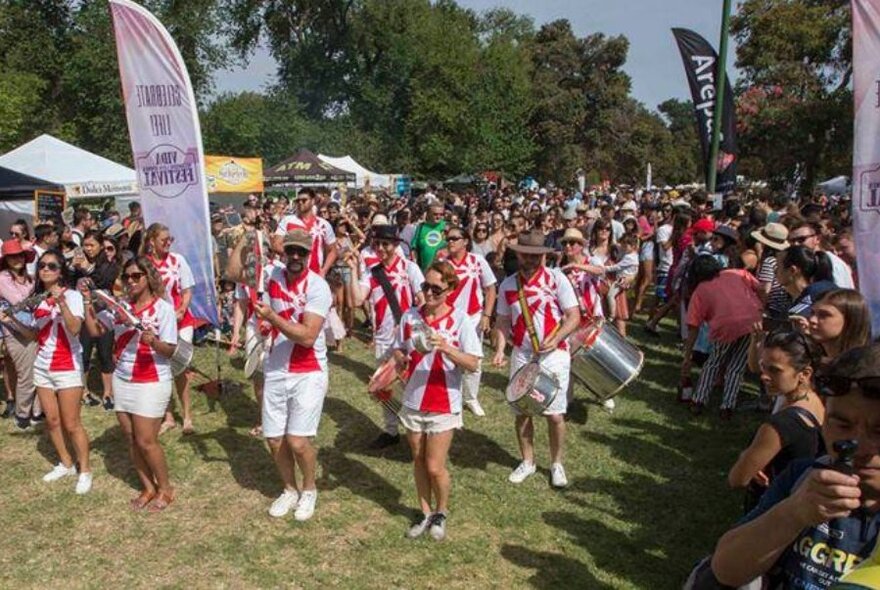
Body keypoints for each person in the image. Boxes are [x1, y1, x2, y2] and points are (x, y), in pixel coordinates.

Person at [709, 343, 880, 587]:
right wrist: (793, 513)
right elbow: (725, 569)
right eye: (842, 425)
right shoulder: (803, 477)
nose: (858, 447)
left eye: (879, 430)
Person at [242, 229, 332, 521]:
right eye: (290, 250)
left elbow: (307, 337)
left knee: (298, 441)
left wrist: (272, 318)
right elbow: (234, 273)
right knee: (273, 439)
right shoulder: (271, 276)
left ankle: (309, 488)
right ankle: (289, 489)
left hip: (308, 370)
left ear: (309, 255)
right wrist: (245, 240)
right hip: (276, 367)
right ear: (283, 251)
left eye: (301, 252)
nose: (295, 256)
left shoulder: (318, 287)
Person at [80, 258, 178, 511]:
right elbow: (95, 330)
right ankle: (147, 487)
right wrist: (86, 301)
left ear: (148, 278)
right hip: (122, 378)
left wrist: (153, 342)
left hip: (152, 379)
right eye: (128, 277)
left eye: (137, 276)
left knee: (146, 440)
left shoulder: (163, 309)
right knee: (131, 438)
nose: (131, 281)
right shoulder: (120, 307)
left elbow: (170, 350)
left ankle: (165, 488)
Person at [394, 261, 482, 541]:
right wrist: (399, 359)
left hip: (444, 401)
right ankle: (424, 512)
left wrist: (446, 348)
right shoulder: (410, 316)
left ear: (450, 289)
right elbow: (398, 349)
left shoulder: (461, 320)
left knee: (434, 465)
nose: (429, 293)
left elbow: (473, 363)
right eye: (425, 287)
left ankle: (441, 512)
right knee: (418, 459)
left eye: (436, 288)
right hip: (413, 398)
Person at [493, 230, 581, 488]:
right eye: (526, 255)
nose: (531, 261)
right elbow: (502, 321)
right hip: (522, 354)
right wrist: (499, 349)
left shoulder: (557, 280)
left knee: (554, 415)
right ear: (518, 254)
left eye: (536, 256)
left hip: (555, 355)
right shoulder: (508, 285)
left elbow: (573, 316)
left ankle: (556, 464)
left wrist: (556, 338)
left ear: (543, 256)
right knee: (522, 411)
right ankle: (528, 461)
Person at [1, 250, 92, 493]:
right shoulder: (39, 300)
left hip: (67, 365)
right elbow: (34, 334)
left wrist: (60, 302)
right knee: (51, 421)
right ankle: (66, 463)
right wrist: (10, 321)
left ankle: (85, 470)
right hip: (43, 364)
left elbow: (74, 329)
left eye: (52, 266)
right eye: (42, 266)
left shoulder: (72, 296)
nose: (45, 270)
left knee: (71, 423)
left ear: (61, 271)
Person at [347, 224, 425, 448]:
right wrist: (353, 271)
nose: (380, 248)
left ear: (395, 245)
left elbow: (422, 301)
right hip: (383, 338)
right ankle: (391, 431)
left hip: (408, 340)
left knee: (411, 385)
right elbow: (356, 300)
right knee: (384, 387)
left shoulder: (410, 269)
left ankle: (415, 429)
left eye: (385, 244)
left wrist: (408, 327)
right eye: (377, 243)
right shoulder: (373, 273)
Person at [732, 330, 825, 512]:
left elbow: (737, 478)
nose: (764, 376)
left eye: (774, 370)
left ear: (804, 373)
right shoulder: (819, 405)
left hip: (770, 510)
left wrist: (747, 458)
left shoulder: (781, 424)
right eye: (763, 367)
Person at [681, 255, 764, 419]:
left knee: (713, 363)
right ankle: (727, 406)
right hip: (753, 322)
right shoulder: (738, 273)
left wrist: (687, 355)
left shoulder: (700, 290)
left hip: (725, 327)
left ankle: (699, 401)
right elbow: (761, 288)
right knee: (737, 366)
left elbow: (693, 327)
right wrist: (761, 308)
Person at [142, 223, 196, 435]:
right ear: (152, 241)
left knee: (180, 366)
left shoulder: (177, 260)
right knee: (161, 368)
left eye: (170, 239)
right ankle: (168, 416)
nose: (168, 243)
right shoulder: (145, 264)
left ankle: (187, 416)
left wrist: (182, 307)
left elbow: (187, 288)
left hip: (182, 320)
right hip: (157, 321)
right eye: (164, 239)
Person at [439, 226, 496, 417]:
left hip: (473, 318)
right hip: (449, 318)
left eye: (455, 238)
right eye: (448, 238)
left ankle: (471, 398)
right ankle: (449, 394)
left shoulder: (477, 261)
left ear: (465, 241)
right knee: (448, 358)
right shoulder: (442, 263)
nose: (450, 241)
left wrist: (487, 316)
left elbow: (490, 289)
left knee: (473, 360)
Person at [71, 230, 119, 409]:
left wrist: (87, 267)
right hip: (83, 315)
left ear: (100, 245)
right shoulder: (78, 263)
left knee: (105, 354)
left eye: (92, 245)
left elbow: (104, 281)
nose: (88, 248)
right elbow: (68, 281)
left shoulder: (108, 264)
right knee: (83, 354)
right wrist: (72, 266)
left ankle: (108, 393)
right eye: (86, 245)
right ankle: (84, 391)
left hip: (103, 315)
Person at [0, 239, 39, 429]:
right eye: (12, 256)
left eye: (19, 255)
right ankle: (23, 414)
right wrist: (35, 296)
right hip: (14, 331)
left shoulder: (30, 278)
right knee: (25, 373)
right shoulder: (2, 278)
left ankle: (37, 411)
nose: (17, 259)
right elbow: (18, 299)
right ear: (6, 260)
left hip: (33, 328)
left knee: (37, 370)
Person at [274, 188, 338, 277]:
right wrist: (294, 255)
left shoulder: (323, 224)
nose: (300, 203)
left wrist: (324, 270)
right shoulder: (288, 221)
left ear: (312, 201)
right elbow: (276, 245)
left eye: (304, 200)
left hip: (315, 275)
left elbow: (333, 251)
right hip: (291, 274)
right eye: (298, 200)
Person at [807, 289, 872, 364]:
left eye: (824, 315)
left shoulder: (867, 367)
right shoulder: (809, 364)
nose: (812, 320)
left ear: (850, 319)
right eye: (812, 313)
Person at [778, 245, 836, 321]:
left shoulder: (802, 314)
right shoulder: (793, 301)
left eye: (778, 267)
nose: (775, 271)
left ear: (792, 271)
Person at [411, 203, 447, 271]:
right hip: (424, 270)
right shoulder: (421, 227)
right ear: (428, 214)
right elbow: (414, 248)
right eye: (435, 214)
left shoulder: (447, 227)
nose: (438, 217)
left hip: (443, 271)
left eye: (441, 214)